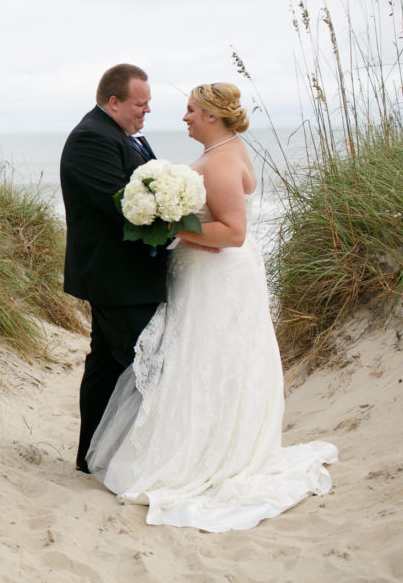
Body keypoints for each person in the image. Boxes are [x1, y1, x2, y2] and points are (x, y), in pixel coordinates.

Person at [85, 82, 337, 532]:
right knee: (207, 362)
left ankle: (210, 451)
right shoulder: (227, 149)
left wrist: (169, 230)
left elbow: (233, 233)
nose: (184, 117)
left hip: (216, 277)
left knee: (209, 361)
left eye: (190, 111)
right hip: (209, 275)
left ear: (212, 116)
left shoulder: (220, 160)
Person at [59, 63, 169, 475]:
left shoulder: (120, 135)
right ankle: (135, 459)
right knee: (144, 366)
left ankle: (92, 456)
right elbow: (122, 205)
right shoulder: (92, 137)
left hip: (121, 276)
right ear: (114, 101)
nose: (146, 112)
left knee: (107, 366)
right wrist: (182, 223)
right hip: (116, 277)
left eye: (148, 104)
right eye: (140, 104)